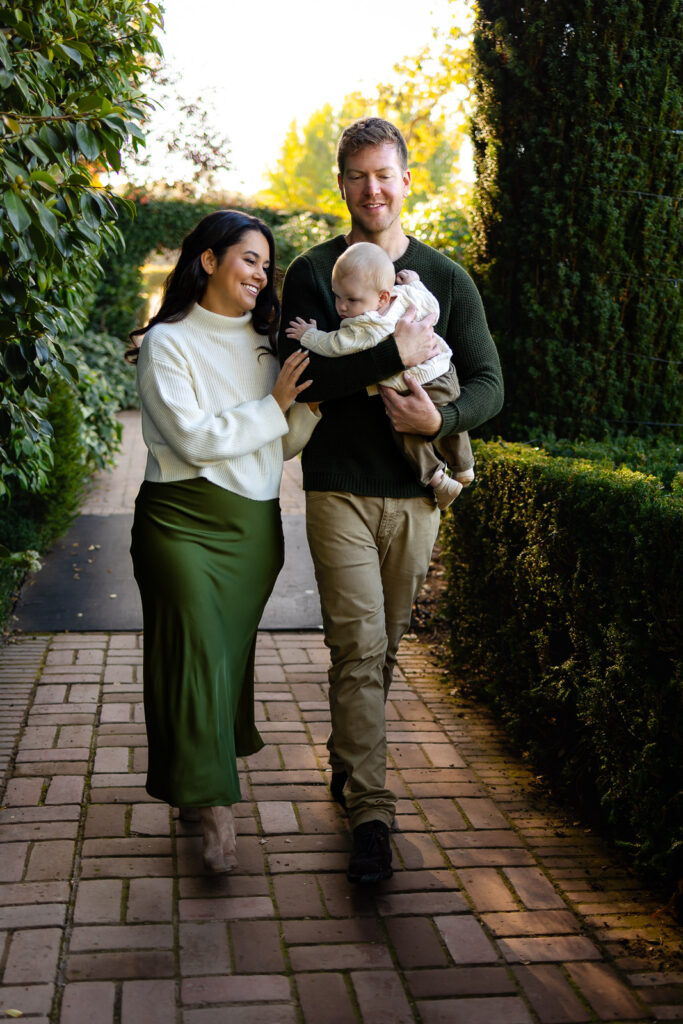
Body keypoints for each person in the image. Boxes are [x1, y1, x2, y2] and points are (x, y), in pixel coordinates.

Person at [278, 117, 503, 884]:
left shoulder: (444, 278)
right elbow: (301, 374)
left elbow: (487, 383)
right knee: (358, 645)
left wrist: (439, 418)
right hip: (338, 488)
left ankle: (350, 760)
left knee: (387, 643)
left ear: (407, 181)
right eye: (356, 175)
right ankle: (371, 814)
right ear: (340, 184)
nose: (371, 189)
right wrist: (392, 353)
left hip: (415, 498)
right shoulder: (311, 273)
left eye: (384, 174)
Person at [128, 210, 318, 874]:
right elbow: (194, 440)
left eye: (266, 265)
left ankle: (190, 776)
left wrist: (305, 411)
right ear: (208, 261)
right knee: (195, 653)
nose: (261, 275)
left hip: (252, 530)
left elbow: (281, 442)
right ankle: (213, 806)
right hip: (178, 523)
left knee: (221, 658)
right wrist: (273, 406)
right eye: (248, 260)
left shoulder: (270, 345)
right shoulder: (168, 343)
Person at [286, 240, 475, 509]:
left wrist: (309, 334)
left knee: (404, 428)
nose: (341, 307)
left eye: (351, 299)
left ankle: (437, 479)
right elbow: (432, 305)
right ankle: (465, 467)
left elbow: (334, 345)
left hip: (412, 384)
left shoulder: (364, 325)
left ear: (382, 298)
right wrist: (415, 282)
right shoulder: (405, 296)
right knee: (449, 411)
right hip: (443, 371)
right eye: (337, 296)